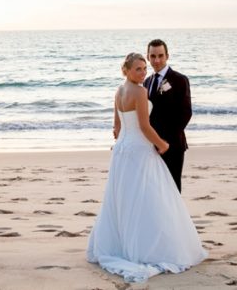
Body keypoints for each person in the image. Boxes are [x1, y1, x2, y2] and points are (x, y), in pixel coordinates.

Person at [86, 53, 206, 283]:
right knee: (149, 198)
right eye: (138, 69)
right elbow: (144, 126)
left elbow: (117, 127)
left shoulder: (119, 91)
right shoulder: (140, 91)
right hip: (139, 151)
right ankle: (149, 248)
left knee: (124, 199)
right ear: (127, 71)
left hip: (122, 151)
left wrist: (121, 144)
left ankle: (123, 245)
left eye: (144, 68)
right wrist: (162, 144)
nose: (143, 72)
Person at [145, 39, 192, 192]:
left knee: (172, 188)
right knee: (154, 189)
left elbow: (185, 113)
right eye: (153, 56)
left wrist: (165, 141)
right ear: (148, 57)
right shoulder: (146, 82)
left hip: (172, 145)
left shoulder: (180, 80)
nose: (156, 60)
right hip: (151, 145)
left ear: (167, 56)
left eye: (160, 55)